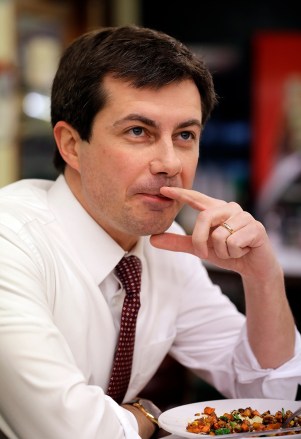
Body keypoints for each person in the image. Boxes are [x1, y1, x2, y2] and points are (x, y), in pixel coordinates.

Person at [0, 25, 300, 439]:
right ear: (71, 145)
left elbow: (268, 396)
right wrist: (148, 415)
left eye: (185, 135)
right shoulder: (10, 241)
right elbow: (71, 432)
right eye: (138, 131)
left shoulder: (162, 246)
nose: (170, 163)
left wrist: (263, 278)